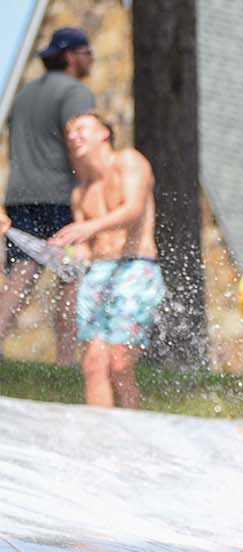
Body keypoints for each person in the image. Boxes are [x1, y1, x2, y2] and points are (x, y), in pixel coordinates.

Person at [46, 113, 161, 410]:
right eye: (70, 131)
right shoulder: (82, 190)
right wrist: (62, 251)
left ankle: (130, 436)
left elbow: (133, 208)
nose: (73, 135)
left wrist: (89, 227)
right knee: (94, 365)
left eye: (81, 128)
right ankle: (101, 443)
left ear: (104, 134)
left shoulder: (129, 161)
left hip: (135, 267)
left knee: (120, 363)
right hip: (98, 273)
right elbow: (84, 250)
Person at [0, 27, 93, 364]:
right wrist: (89, 192)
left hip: (19, 196)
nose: (91, 60)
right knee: (72, 274)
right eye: (87, 53)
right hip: (60, 197)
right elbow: (78, 145)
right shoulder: (76, 93)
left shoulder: (23, 94)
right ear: (70, 56)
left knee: (20, 274)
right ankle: (66, 360)